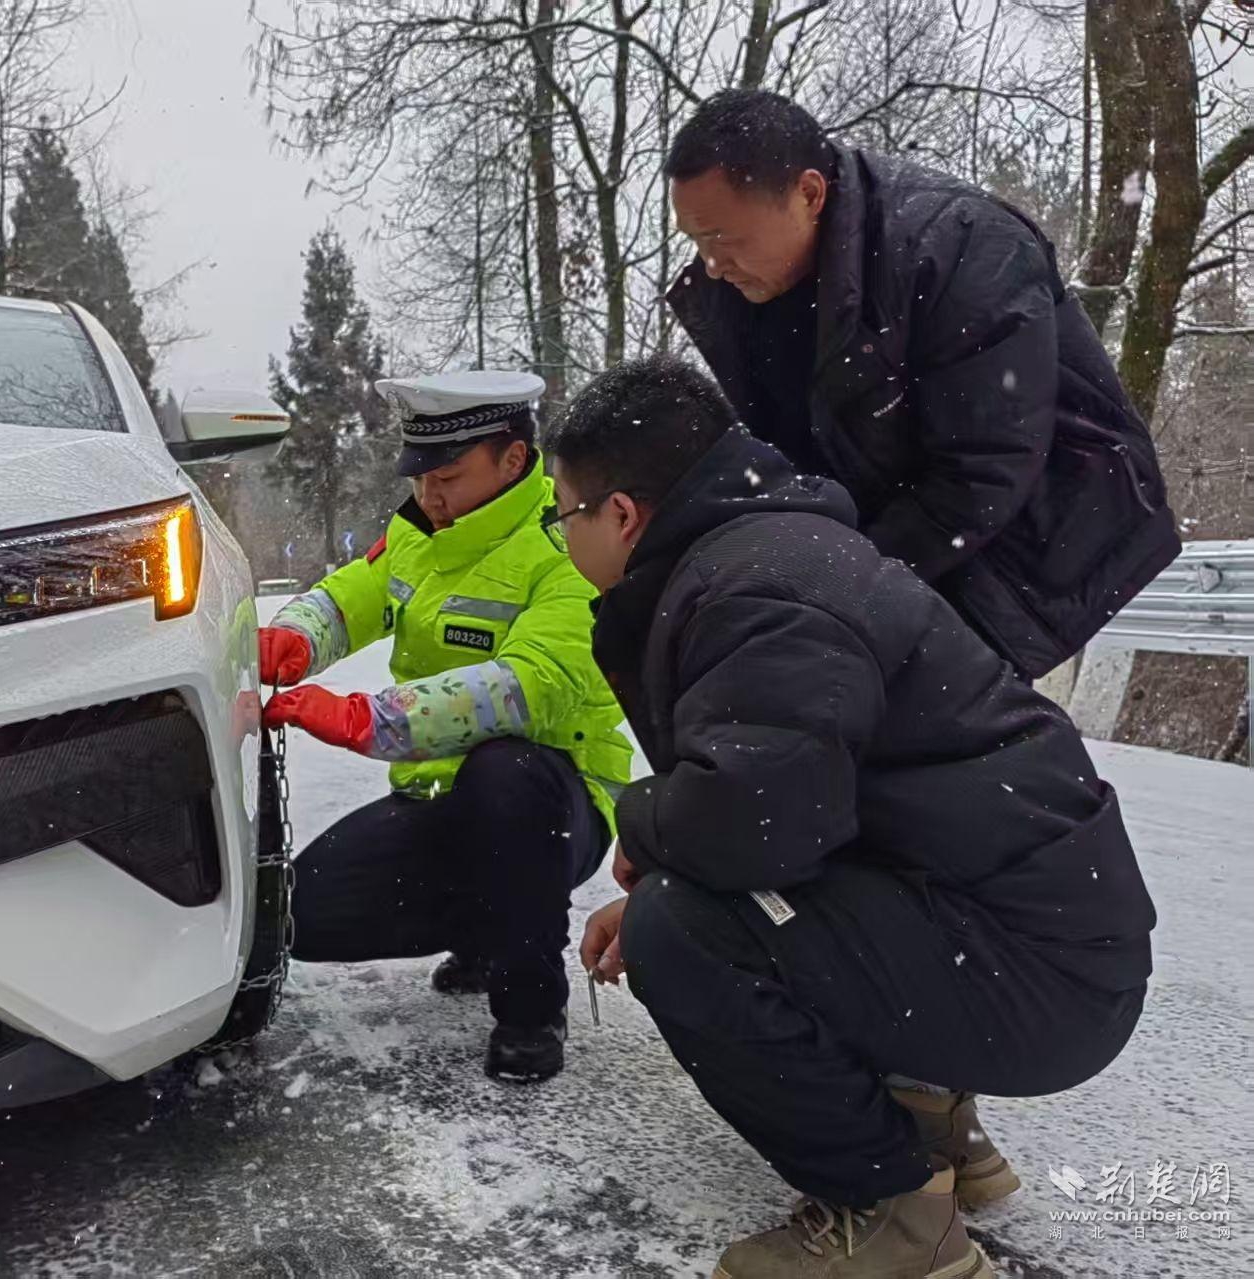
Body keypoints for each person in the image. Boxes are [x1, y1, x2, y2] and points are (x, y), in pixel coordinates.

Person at [550, 356, 1155, 1278]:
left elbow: (753, 824)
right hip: (1036, 940)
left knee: (680, 929)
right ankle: (937, 1133)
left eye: (565, 515)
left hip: (1040, 975)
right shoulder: (770, 551)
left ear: (622, 513)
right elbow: (799, 810)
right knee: (714, 897)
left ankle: (897, 1215)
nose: (563, 537)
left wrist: (639, 828)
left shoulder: (755, 589)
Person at [662, 89, 1179, 682]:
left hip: (1028, 540)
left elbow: (985, 469)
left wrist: (841, 581)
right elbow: (789, 457)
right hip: (903, 536)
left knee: (950, 744)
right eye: (695, 241)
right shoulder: (751, 289)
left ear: (808, 194)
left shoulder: (960, 246)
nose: (710, 265)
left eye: (724, 239)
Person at [260, 370, 632, 1082]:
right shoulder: (421, 533)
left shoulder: (565, 549)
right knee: (305, 910)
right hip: (440, 795)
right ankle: (488, 924)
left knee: (506, 772)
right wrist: (297, 638)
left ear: (514, 460)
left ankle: (529, 1006)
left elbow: (527, 689)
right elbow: (348, 596)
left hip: (557, 803)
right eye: (422, 476)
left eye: (450, 476)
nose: (430, 494)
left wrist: (366, 719)